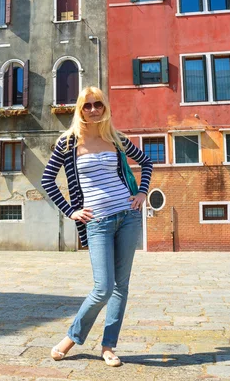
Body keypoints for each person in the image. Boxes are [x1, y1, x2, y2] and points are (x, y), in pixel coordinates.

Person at [41, 86, 153, 367]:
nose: (93, 110)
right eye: (87, 105)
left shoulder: (115, 139)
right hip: (98, 222)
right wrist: (70, 211)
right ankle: (72, 337)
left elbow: (147, 162)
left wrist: (141, 193)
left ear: (105, 108)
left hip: (127, 217)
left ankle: (108, 346)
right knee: (103, 287)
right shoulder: (67, 143)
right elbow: (47, 180)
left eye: (98, 105)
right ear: (80, 109)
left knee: (121, 286)